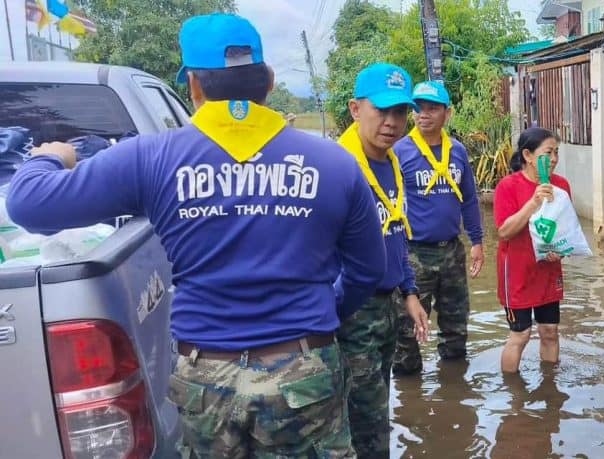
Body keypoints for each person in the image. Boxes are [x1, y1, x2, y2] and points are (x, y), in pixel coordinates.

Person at [5, 13, 386, 457]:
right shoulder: (336, 164)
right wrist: (321, 316)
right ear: (268, 82)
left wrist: (50, 157)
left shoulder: (152, 158)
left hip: (207, 378)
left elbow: (29, 204)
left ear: (194, 87)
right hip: (304, 373)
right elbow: (367, 270)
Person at [335, 62, 430, 459]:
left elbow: (395, 232)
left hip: (388, 306)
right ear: (356, 109)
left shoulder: (391, 163)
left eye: (400, 112)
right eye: (382, 111)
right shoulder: (337, 168)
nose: (393, 122)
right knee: (363, 422)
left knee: (378, 407)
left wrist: (408, 291)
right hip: (352, 313)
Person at [392, 80, 484, 375]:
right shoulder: (399, 151)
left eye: (433, 108)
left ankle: (454, 386)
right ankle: (409, 393)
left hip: (452, 252)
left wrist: (477, 242)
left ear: (448, 113)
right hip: (414, 253)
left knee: (456, 324)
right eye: (418, 108)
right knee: (407, 330)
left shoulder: (456, 151)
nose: (424, 114)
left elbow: (469, 199)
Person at [493, 127, 569, 374]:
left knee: (550, 332)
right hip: (517, 272)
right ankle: (514, 398)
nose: (554, 159)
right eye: (548, 153)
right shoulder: (508, 186)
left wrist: (560, 251)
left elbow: (564, 230)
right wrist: (534, 202)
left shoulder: (561, 186)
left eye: (556, 152)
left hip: (547, 271)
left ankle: (550, 388)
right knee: (520, 334)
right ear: (528, 155)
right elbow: (504, 231)